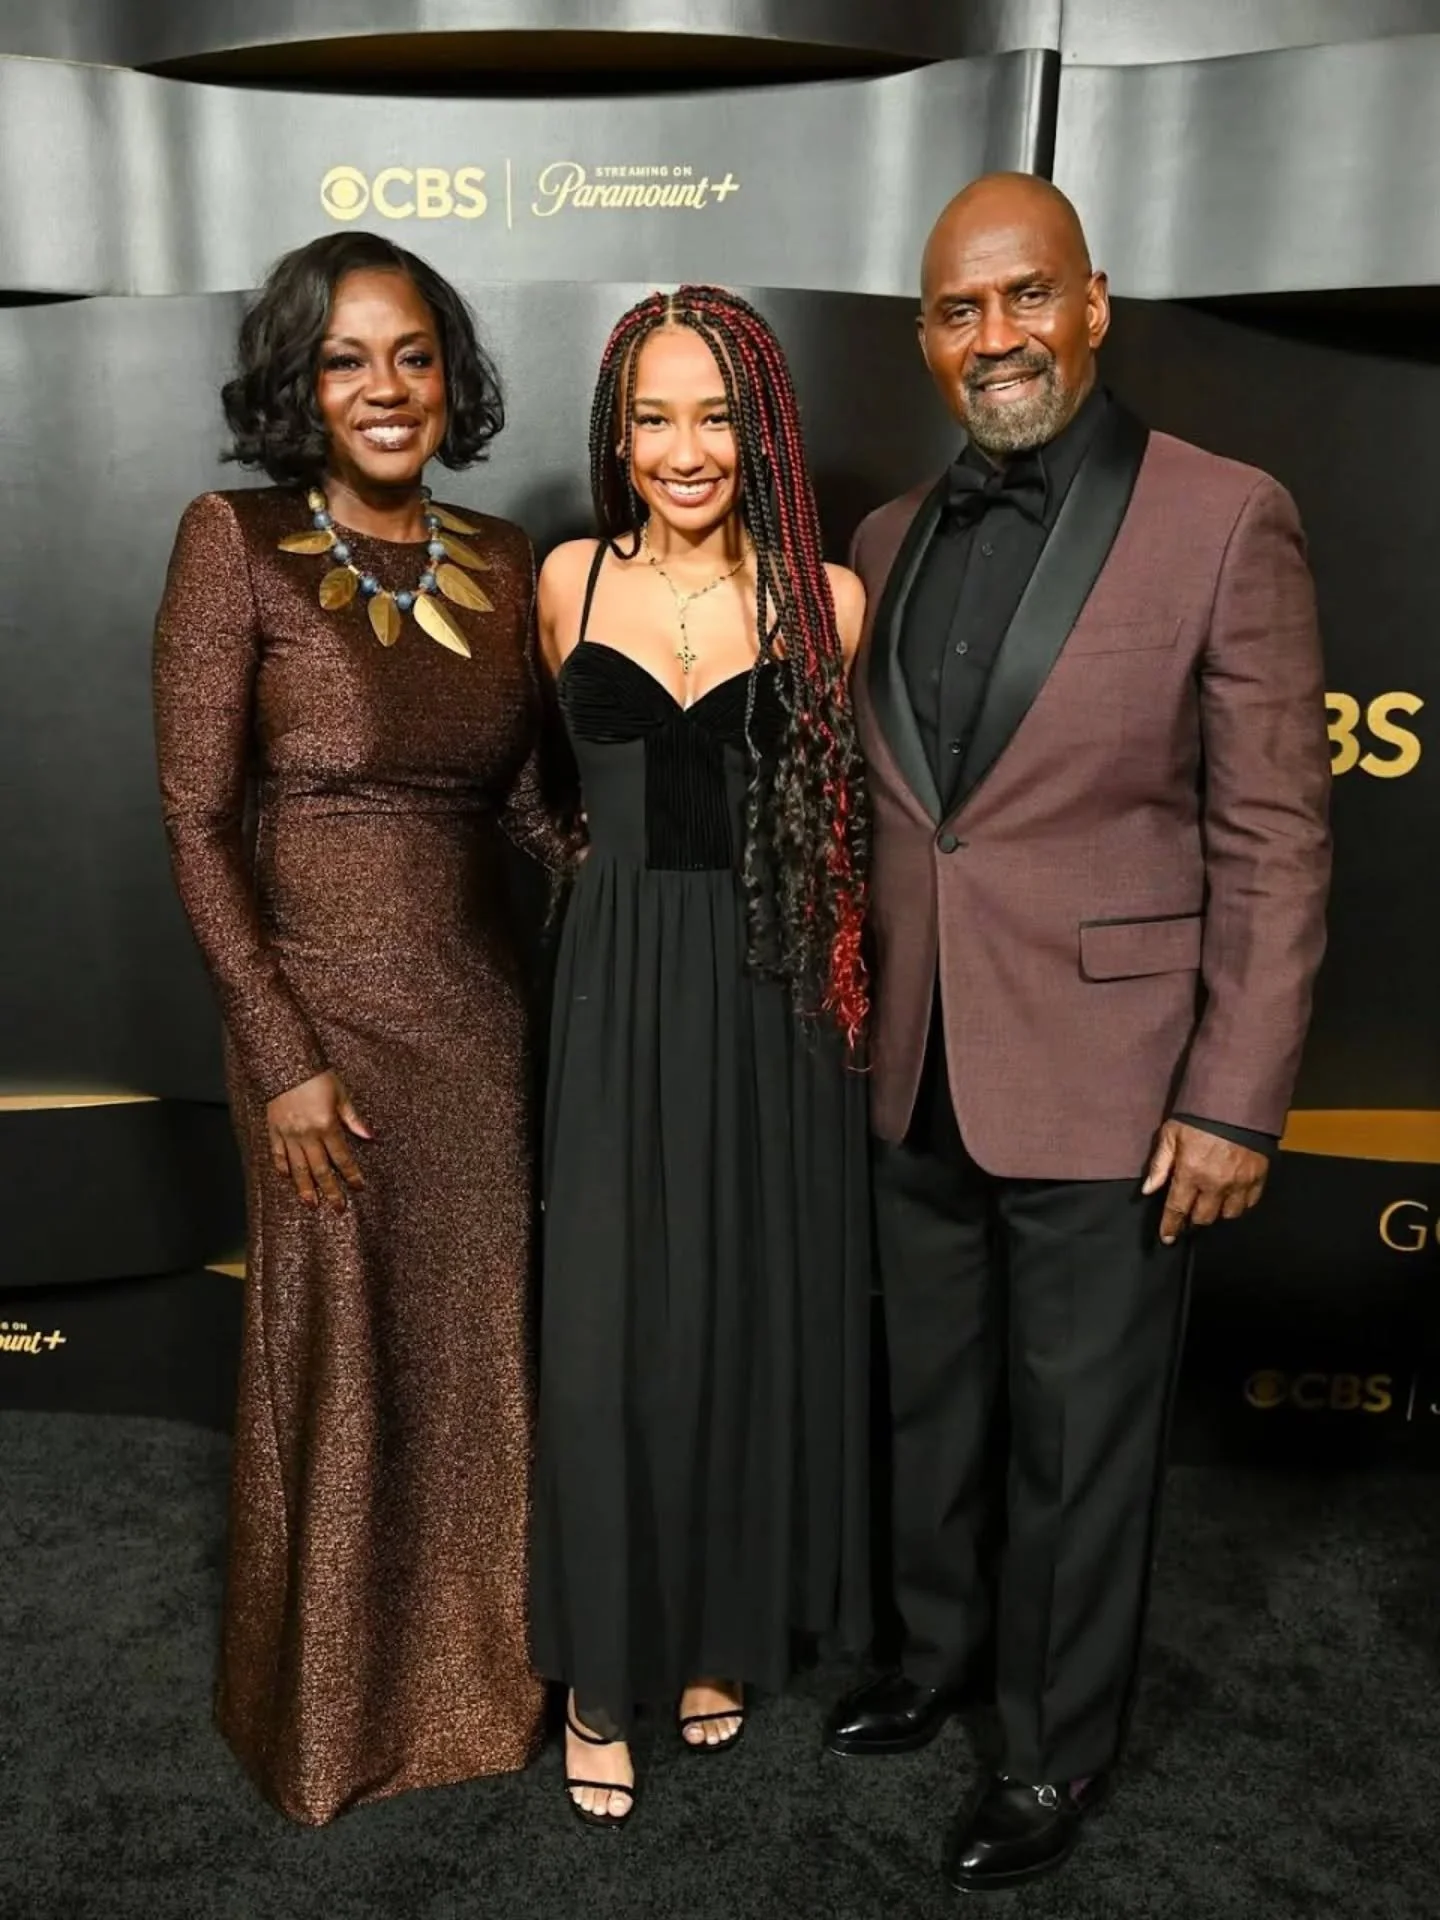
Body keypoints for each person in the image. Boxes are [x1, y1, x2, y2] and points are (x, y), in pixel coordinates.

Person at [825, 174, 1331, 1890]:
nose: (997, 337)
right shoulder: (888, 543)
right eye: (960, 311)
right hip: (921, 1062)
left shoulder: (1225, 516)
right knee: (936, 1409)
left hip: (1122, 1088)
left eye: (1025, 298)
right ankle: (938, 1659)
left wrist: (1237, 1101)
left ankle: (1049, 1752)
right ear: (925, 338)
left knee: (1079, 1438)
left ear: (1094, 302)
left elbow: (1274, 834)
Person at [153, 232, 575, 1825]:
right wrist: (283, 1060)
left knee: (475, 1358)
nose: (383, 388)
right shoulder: (235, 543)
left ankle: (477, 1693)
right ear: (298, 386)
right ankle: (327, 1719)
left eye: (409, 355)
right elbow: (197, 824)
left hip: (480, 1029)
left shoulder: (506, 553)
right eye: (344, 359)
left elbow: (532, 805)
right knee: (340, 1365)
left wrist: (669, 901)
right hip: (319, 1031)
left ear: (448, 375)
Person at [531, 286, 872, 1830]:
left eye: (717, 413)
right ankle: (602, 1670)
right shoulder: (563, 584)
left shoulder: (833, 604)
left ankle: (718, 1634)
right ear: (616, 429)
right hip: (610, 998)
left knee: (735, 1316)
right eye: (654, 414)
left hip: (762, 995)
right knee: (605, 1332)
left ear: (766, 428)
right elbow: (528, 790)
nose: (686, 448)